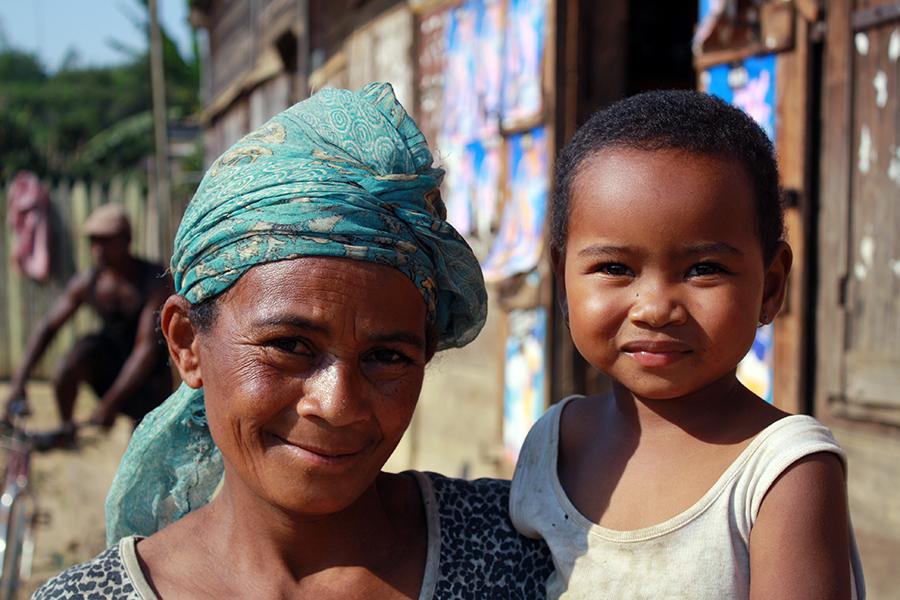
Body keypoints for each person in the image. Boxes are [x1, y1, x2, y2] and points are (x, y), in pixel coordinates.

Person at [34, 83, 552, 599]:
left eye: (387, 356)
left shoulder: (522, 550)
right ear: (187, 343)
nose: (337, 405)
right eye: (291, 346)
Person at [510, 90, 866, 599]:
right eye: (615, 268)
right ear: (561, 279)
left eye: (704, 269)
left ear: (769, 286)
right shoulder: (554, 444)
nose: (655, 307)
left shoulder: (783, 472)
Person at [4, 203, 172, 447]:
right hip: (110, 367)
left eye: (105, 241)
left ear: (126, 240)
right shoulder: (90, 282)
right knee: (71, 362)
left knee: (141, 453)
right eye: (94, 242)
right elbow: (48, 328)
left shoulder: (153, 280)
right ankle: (66, 431)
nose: (98, 249)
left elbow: (145, 350)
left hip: (148, 381)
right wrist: (19, 382)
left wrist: (110, 404)